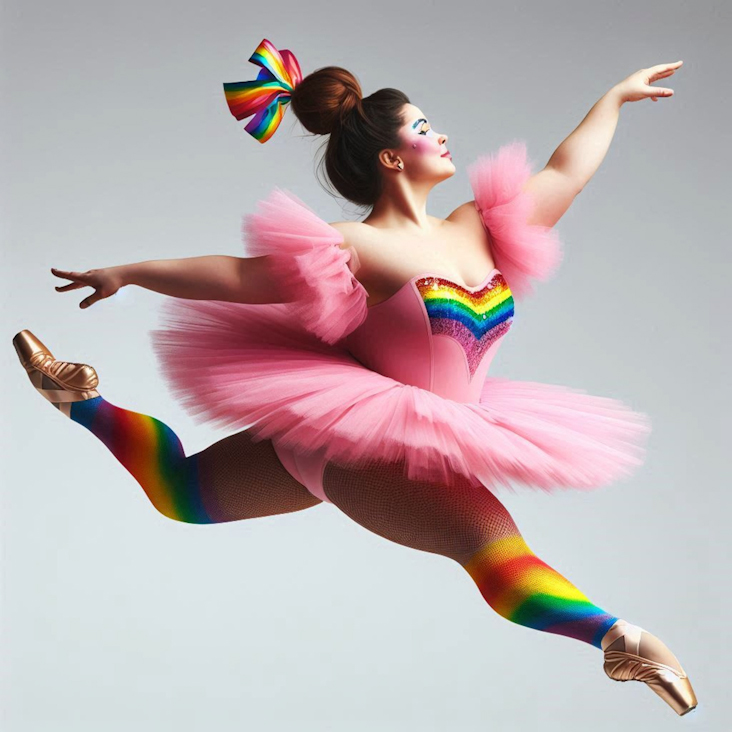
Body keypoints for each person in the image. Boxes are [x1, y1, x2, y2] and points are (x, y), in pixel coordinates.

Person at [13, 38, 696, 715]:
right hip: (370, 445)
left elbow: (565, 171)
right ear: (393, 157)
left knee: (184, 493)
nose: (445, 135)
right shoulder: (357, 245)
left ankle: (81, 400)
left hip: (343, 436)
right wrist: (133, 271)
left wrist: (612, 101)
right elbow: (240, 276)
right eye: (427, 128)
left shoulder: (479, 226)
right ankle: (617, 638)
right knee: (489, 547)